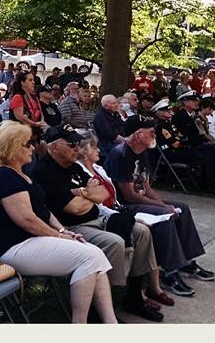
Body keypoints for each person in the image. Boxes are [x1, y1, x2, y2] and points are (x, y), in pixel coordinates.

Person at [0, 121, 117, 324]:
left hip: (34, 241)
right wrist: (59, 235)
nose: (34, 147)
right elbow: (27, 220)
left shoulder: (21, 175)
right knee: (89, 257)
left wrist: (63, 230)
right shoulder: (4, 176)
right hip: (17, 247)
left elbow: (43, 210)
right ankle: (80, 324)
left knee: (94, 255)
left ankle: (110, 323)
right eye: (28, 143)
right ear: (13, 146)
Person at [31, 125, 162, 321]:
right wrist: (87, 193)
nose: (77, 147)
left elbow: (104, 193)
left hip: (97, 218)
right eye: (72, 143)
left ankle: (134, 296)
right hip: (72, 227)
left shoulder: (74, 167)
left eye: (78, 142)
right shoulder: (44, 172)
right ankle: (100, 308)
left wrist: (82, 194)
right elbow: (73, 208)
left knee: (142, 231)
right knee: (114, 241)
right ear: (55, 147)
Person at [104, 117, 215, 298]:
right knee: (165, 215)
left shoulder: (143, 152)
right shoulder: (121, 155)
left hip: (139, 199)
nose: (155, 135)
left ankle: (186, 261)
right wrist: (162, 207)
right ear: (139, 135)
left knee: (182, 208)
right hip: (124, 206)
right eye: (151, 132)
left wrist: (164, 203)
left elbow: (146, 188)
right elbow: (129, 195)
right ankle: (170, 273)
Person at [74, 131, 174, 309]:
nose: (99, 150)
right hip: (104, 215)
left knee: (149, 229)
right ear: (83, 151)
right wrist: (118, 214)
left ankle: (150, 288)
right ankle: (122, 293)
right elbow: (96, 202)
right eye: (95, 147)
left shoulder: (99, 169)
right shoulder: (79, 171)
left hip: (116, 210)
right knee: (139, 231)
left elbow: (108, 195)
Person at [167, 92, 215, 184]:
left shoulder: (194, 115)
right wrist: (203, 142)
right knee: (210, 149)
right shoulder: (179, 116)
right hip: (185, 148)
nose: (197, 102)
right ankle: (210, 182)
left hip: (196, 146)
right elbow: (185, 136)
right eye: (193, 100)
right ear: (185, 102)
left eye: (197, 100)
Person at [10, 70, 48, 137]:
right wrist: (34, 124)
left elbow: (40, 112)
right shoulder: (18, 97)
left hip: (35, 132)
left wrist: (42, 122)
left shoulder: (34, 97)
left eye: (33, 80)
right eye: (30, 80)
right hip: (21, 134)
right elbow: (20, 117)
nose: (33, 82)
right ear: (22, 82)